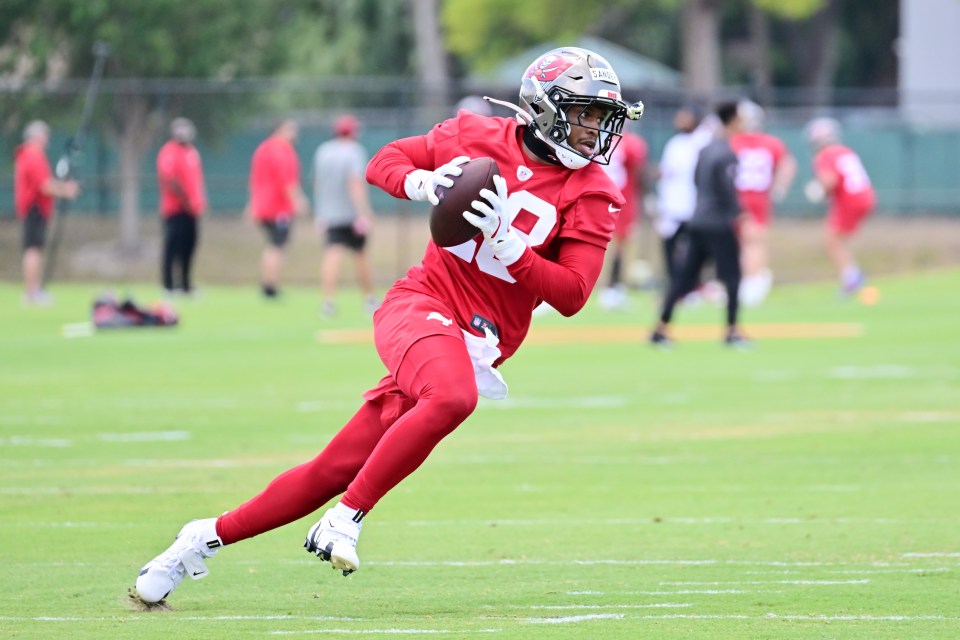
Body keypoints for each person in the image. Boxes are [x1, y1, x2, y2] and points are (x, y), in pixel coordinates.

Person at [134, 46, 643, 605]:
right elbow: (384, 162)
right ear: (544, 108)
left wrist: (513, 247)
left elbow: (572, 294)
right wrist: (423, 185)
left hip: (477, 339)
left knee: (333, 467)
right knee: (453, 398)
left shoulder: (593, 192)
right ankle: (345, 519)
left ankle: (198, 539)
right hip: (421, 303)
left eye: (602, 118)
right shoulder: (474, 135)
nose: (594, 131)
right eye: (585, 114)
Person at [650, 101, 749, 348]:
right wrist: (738, 213)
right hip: (718, 222)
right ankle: (732, 330)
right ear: (734, 120)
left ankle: (661, 328)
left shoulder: (705, 150)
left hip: (698, 219)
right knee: (733, 276)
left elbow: (696, 182)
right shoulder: (726, 152)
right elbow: (727, 190)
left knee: (682, 277)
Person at [729, 99, 796, 306]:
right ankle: (751, 281)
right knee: (754, 242)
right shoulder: (771, 142)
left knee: (743, 243)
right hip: (758, 197)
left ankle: (750, 282)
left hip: (737, 197)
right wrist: (779, 188)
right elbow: (788, 164)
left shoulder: (732, 141)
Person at [313, 114, 378, 316]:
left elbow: (317, 183)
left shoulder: (323, 151)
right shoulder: (354, 151)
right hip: (351, 215)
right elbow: (355, 182)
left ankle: (328, 302)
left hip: (329, 213)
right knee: (361, 256)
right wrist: (364, 212)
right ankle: (369, 299)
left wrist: (321, 211)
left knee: (332, 254)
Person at [803, 117, 876, 295]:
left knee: (831, 240)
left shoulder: (825, 155)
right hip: (865, 196)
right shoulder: (845, 151)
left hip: (849, 199)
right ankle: (852, 274)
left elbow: (829, 180)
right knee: (836, 239)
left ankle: (852, 277)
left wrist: (818, 190)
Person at [13, 120, 80, 306]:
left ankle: (33, 290)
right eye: (45, 135)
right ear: (37, 136)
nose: (47, 139)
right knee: (33, 250)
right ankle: (32, 292)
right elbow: (45, 185)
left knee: (33, 249)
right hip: (35, 208)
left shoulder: (27, 154)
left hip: (33, 208)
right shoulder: (33, 155)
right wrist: (66, 189)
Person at [652, 103, 712, 299]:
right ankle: (676, 287)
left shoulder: (704, 140)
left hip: (695, 205)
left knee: (696, 249)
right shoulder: (676, 142)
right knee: (670, 245)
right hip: (673, 204)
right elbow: (668, 171)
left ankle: (694, 287)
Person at [246, 119, 309, 299]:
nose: (294, 133)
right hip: (277, 208)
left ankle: (269, 284)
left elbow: (255, 179)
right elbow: (286, 182)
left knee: (274, 244)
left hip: (263, 206)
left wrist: (253, 204)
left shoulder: (263, 149)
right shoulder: (281, 151)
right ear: (280, 130)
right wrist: (298, 201)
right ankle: (270, 286)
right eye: (291, 129)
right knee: (276, 245)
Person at [597, 125, 649, 311]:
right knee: (621, 247)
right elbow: (639, 172)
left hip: (603, 198)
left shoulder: (599, 139)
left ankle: (610, 290)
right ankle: (616, 289)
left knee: (608, 247)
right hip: (621, 199)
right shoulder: (630, 143)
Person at [157, 117, 207, 296]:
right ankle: (168, 286)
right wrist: (186, 202)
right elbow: (170, 180)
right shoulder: (169, 151)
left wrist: (198, 202)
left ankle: (185, 285)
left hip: (192, 210)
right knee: (172, 246)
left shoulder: (192, 152)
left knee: (189, 247)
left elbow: (196, 181)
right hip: (176, 210)